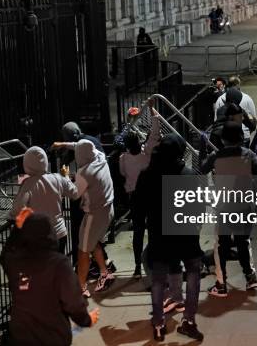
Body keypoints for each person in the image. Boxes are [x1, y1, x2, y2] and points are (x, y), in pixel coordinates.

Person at [135, 133, 204, 341]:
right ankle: (189, 320)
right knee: (193, 272)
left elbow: (139, 209)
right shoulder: (189, 175)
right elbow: (198, 207)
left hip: (160, 234)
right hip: (186, 233)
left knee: (158, 279)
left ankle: (158, 323)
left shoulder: (147, 175)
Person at [1, 212, 100, 346]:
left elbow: (6, 252)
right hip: (51, 335)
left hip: (21, 334)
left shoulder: (15, 262)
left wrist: (18, 229)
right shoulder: (59, 264)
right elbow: (72, 302)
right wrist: (86, 320)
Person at [200, 121, 257, 297]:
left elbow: (201, 169)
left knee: (221, 244)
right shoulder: (248, 155)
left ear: (223, 139)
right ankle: (250, 277)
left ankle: (221, 283)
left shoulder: (217, 156)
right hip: (245, 206)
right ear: (240, 138)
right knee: (243, 241)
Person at [51, 139, 115, 297]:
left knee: (82, 250)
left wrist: (65, 177)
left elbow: (74, 194)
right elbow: (82, 146)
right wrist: (63, 144)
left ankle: (81, 287)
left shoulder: (84, 172)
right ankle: (105, 273)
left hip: (94, 214)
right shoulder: (99, 157)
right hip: (108, 208)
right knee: (93, 243)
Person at [10, 147, 79, 254]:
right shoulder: (57, 178)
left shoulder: (28, 184)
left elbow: (18, 208)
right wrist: (65, 177)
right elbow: (74, 193)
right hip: (60, 234)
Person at [119, 105, 160, 279]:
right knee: (152, 229)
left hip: (134, 196)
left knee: (138, 231)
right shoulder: (147, 153)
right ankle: (151, 261)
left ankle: (137, 266)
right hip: (149, 194)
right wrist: (152, 109)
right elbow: (155, 132)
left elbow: (122, 174)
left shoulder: (123, 158)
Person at [214, 77, 257, 144]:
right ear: (238, 84)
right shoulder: (245, 101)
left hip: (223, 138)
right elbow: (253, 124)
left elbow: (215, 121)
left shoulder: (220, 100)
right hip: (241, 138)